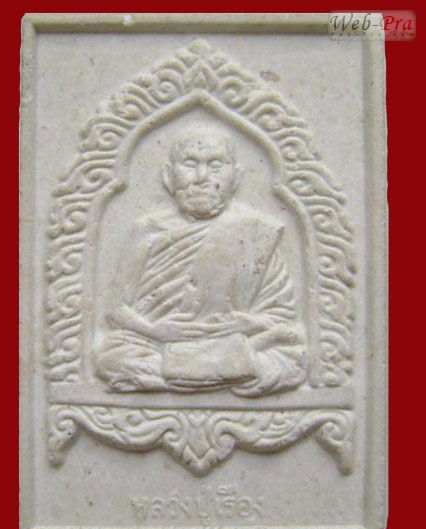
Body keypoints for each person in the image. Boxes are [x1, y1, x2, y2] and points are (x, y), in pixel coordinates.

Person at [95, 129, 307, 396]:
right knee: (110, 354)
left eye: (215, 165)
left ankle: (179, 376)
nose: (202, 177)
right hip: (161, 343)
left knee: (291, 356)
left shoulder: (255, 232)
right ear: (169, 176)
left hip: (234, 341)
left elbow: (282, 319)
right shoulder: (147, 230)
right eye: (190, 164)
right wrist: (155, 331)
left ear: (235, 177)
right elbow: (115, 310)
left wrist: (251, 324)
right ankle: (221, 374)